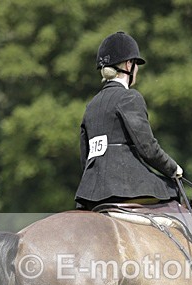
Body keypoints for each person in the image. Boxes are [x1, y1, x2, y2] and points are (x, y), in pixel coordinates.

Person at [75, 31, 184, 211]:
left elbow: (85, 157)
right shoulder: (129, 97)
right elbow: (147, 148)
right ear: (128, 64)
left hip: (90, 191)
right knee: (173, 192)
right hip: (125, 185)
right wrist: (173, 169)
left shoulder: (91, 105)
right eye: (136, 65)